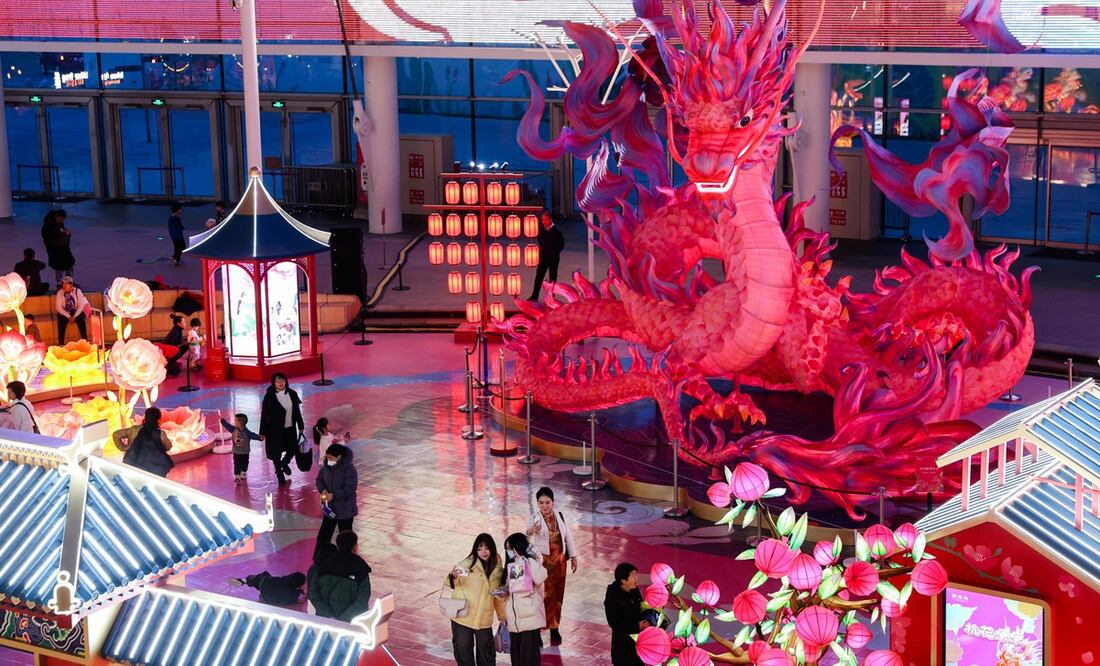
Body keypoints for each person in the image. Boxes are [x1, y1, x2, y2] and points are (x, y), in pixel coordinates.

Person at [525, 486, 577, 646]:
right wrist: (530, 532)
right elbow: (526, 542)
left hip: (560, 563)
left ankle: (555, 628)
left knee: (557, 597)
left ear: (552, 502)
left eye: (547, 502)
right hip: (543, 564)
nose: (544, 506)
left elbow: (568, 536)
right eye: (541, 503)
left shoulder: (560, 516)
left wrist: (573, 556)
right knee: (543, 596)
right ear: (537, 504)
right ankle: (539, 629)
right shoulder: (534, 519)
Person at [446, 533, 506, 666]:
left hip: (484, 618)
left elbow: (498, 597)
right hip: (463, 616)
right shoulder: (467, 564)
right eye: (479, 549)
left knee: (486, 652)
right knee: (463, 650)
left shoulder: (498, 568)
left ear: (492, 548)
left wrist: (503, 617)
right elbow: (450, 582)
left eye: (486, 548)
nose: (483, 552)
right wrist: (453, 576)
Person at [503, 532, 548, 665]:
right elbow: (511, 591)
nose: (509, 552)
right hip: (514, 621)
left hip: (530, 618)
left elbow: (540, 578)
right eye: (507, 549)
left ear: (517, 547)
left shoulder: (531, 562)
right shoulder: (510, 567)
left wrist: (525, 560)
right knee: (516, 659)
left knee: (529, 659)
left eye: (510, 548)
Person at [308, 530, 373, 622]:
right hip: (349, 623)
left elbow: (314, 594)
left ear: (338, 545)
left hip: (325, 621)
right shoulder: (361, 569)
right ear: (355, 547)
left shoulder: (324, 566)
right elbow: (361, 602)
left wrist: (328, 616)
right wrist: (342, 620)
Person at [259, 372, 304, 486]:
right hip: (275, 430)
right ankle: (279, 474)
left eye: (282, 381)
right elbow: (264, 415)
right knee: (276, 453)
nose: (280, 383)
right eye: (277, 381)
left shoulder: (292, 394)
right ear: (273, 383)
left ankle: (284, 463)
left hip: (290, 428)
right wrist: (262, 432)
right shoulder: (269, 396)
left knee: (293, 448)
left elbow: (297, 412)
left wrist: (301, 426)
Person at [315, 443, 357, 554]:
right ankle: (319, 557)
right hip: (330, 509)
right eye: (327, 457)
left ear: (339, 457)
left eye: (331, 458)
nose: (328, 460)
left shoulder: (349, 469)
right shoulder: (326, 467)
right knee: (324, 535)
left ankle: (347, 560)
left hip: (345, 510)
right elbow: (319, 480)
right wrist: (323, 490)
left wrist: (333, 495)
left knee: (346, 538)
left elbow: (350, 488)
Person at [604, 563, 647, 666]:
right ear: (623, 580)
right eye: (633, 576)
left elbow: (641, 607)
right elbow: (614, 623)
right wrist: (636, 626)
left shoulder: (634, 589)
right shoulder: (612, 596)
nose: (636, 578)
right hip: (622, 647)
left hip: (638, 644)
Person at [121, 407, 174, 477]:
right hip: (156, 467)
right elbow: (168, 447)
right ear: (158, 419)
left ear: (145, 417)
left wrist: (123, 447)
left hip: (140, 465)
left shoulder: (138, 431)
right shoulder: (160, 433)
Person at [528, 213, 565, 301]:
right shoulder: (541, 229)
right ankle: (534, 295)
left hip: (553, 258)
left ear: (550, 220)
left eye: (546, 220)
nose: (544, 222)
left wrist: (554, 251)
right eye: (543, 220)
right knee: (539, 276)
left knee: (552, 277)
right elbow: (539, 239)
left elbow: (561, 244)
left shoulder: (556, 231)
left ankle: (551, 296)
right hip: (543, 257)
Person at [221, 412, 262, 483]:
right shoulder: (233, 429)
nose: (234, 422)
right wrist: (222, 421)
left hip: (244, 452)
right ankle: (237, 476)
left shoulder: (247, 432)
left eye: (236, 420)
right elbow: (227, 425)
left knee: (245, 463)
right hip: (236, 452)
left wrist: (260, 438)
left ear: (240, 423)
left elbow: (253, 435)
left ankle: (243, 472)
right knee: (236, 464)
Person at [229, 571, 306, 606]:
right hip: (268, 598)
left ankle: (243, 581)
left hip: (265, 583)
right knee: (275, 596)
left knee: (256, 579)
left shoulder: (287, 579)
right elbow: (288, 601)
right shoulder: (292, 596)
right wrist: (296, 600)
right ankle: (262, 597)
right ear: (298, 587)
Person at [41, 210, 75, 287]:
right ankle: (60, 283)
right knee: (59, 266)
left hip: (63, 248)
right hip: (55, 249)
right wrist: (61, 233)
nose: (61, 221)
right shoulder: (47, 226)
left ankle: (68, 281)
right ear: (56, 216)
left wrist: (64, 233)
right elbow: (48, 236)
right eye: (60, 219)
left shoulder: (57, 223)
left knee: (67, 264)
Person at [54, 276, 88, 345]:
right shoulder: (60, 293)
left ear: (71, 284)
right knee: (61, 322)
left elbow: (81, 305)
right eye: (63, 284)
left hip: (76, 311)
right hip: (65, 312)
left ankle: (85, 341)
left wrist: (74, 316)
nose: (63, 286)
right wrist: (69, 316)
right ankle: (61, 344)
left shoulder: (78, 291)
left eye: (65, 284)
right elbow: (59, 308)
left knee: (81, 320)